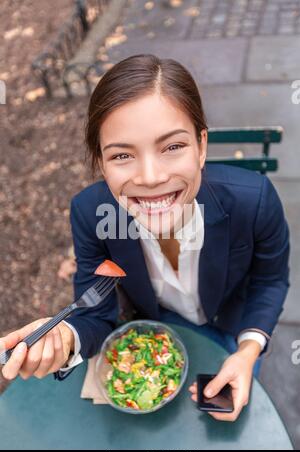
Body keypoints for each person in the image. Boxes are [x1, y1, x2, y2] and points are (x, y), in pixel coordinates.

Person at [0, 54, 290, 422]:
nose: (150, 177)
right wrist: (67, 338)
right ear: (101, 163)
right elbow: (95, 312)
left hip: (234, 329)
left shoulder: (256, 200)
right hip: (156, 329)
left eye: (172, 147)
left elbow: (270, 281)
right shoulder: (90, 214)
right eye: (122, 155)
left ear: (201, 147)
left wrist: (248, 350)